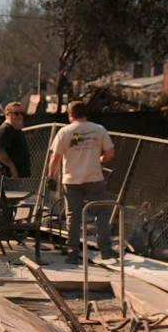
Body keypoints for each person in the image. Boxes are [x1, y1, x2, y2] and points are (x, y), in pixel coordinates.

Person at [46, 100, 116, 264]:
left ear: (70, 115)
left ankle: (73, 253)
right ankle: (105, 249)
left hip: (71, 180)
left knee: (73, 217)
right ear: (86, 113)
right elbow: (111, 152)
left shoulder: (64, 132)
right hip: (94, 178)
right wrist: (100, 160)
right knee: (101, 213)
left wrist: (51, 176)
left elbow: (55, 157)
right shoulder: (99, 129)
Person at [0, 101, 31, 198]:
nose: (19, 116)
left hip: (15, 177)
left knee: (13, 204)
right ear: (7, 114)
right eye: (16, 113)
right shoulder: (6, 129)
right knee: (7, 205)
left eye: (22, 113)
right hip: (7, 177)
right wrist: (12, 167)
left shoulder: (16, 129)